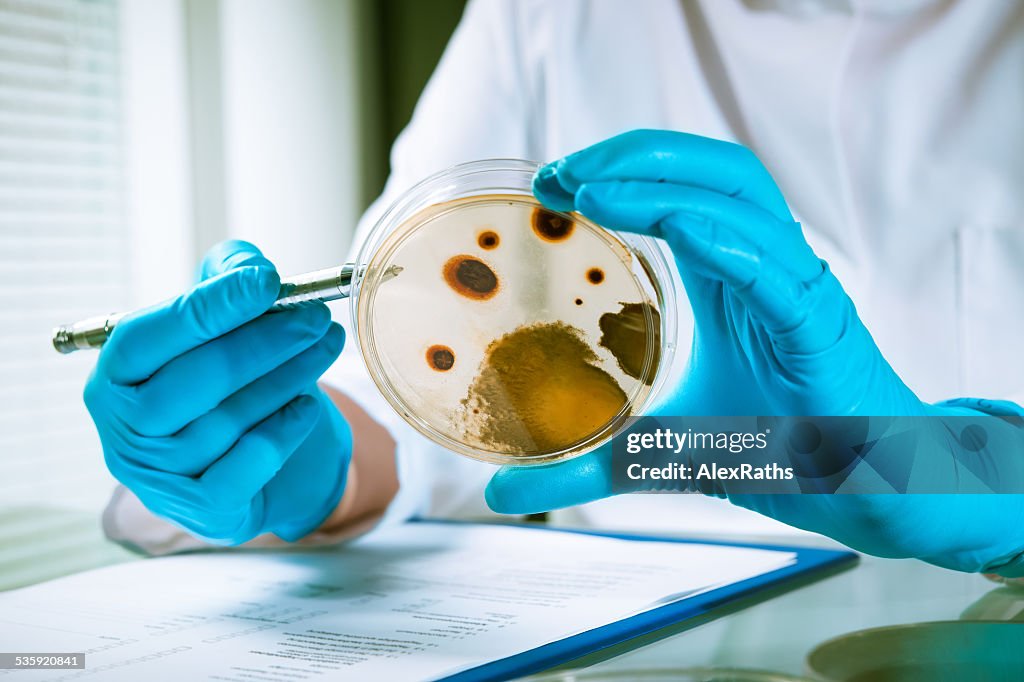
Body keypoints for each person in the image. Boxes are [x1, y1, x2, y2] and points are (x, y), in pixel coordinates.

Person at [85, 0, 1024, 574]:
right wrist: (297, 455)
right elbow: (416, 368)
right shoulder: (549, 10)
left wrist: (973, 481)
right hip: (638, 636)